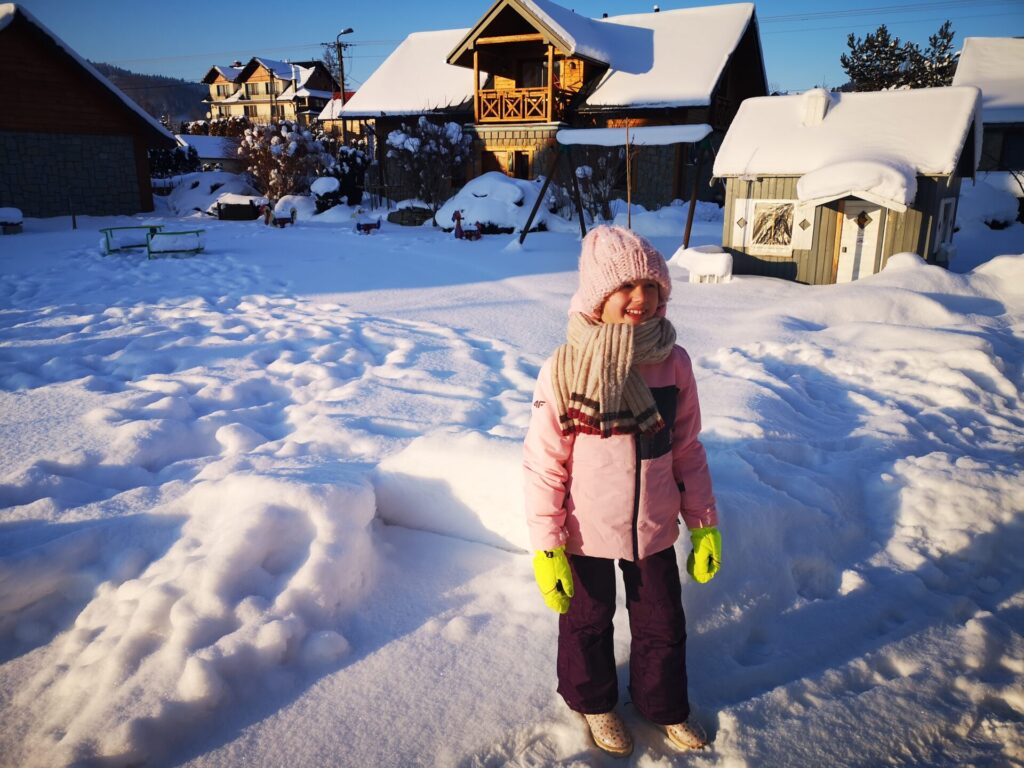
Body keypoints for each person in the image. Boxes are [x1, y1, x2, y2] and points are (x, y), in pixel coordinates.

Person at [523, 225, 722, 758]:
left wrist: (703, 523)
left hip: (654, 523)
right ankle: (594, 703)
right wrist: (547, 544)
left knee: (662, 621)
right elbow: (545, 464)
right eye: (626, 287)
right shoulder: (565, 367)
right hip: (585, 527)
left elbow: (687, 448)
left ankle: (663, 706)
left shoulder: (673, 362)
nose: (641, 299)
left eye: (652, 287)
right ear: (597, 296)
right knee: (587, 621)